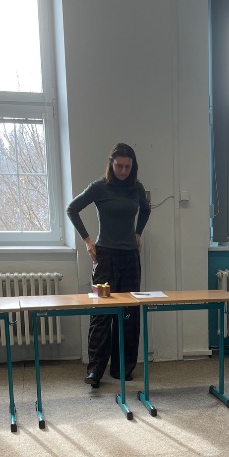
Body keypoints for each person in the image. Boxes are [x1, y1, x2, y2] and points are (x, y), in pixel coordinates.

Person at [67, 143, 151, 388]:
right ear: (111, 164)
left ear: (133, 167)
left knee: (129, 314)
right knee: (102, 314)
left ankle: (123, 368)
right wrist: (87, 241)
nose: (123, 171)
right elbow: (72, 209)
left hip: (130, 259)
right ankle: (95, 370)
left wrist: (138, 233)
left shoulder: (137, 188)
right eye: (119, 166)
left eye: (127, 166)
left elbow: (146, 210)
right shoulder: (99, 187)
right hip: (105, 258)